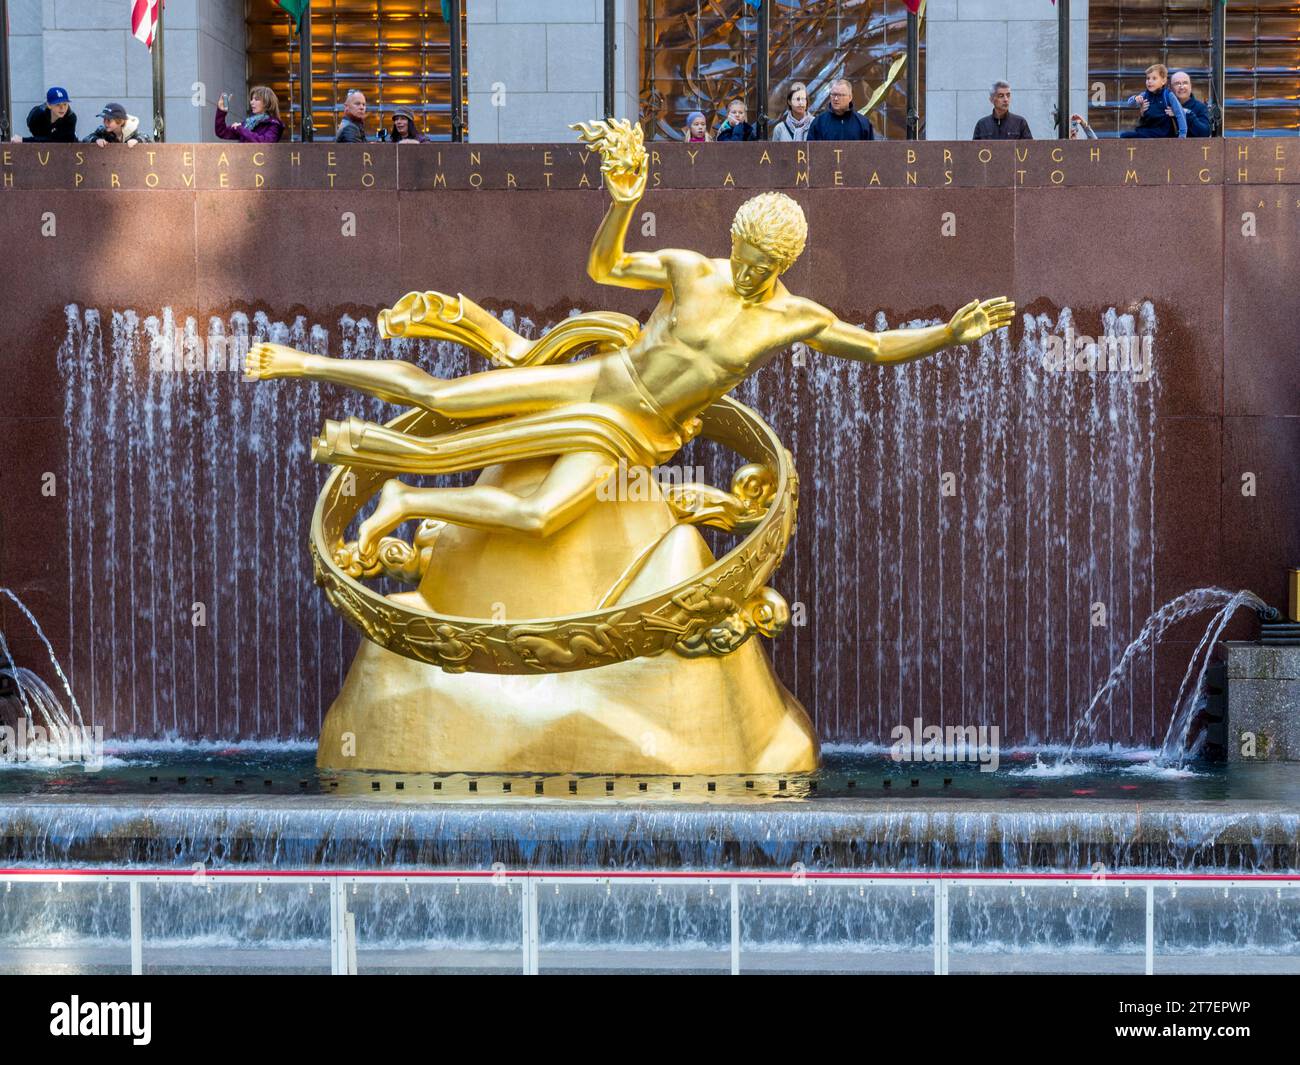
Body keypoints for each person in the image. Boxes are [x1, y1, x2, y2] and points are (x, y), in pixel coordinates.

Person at [245, 120, 1012, 554]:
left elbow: (873, 348)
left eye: (760, 265)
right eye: (741, 255)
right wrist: (621, 200)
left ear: (784, 263)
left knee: (545, 515)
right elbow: (604, 263)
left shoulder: (793, 318)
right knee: (448, 397)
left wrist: (947, 333)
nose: (742, 271)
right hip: (599, 382)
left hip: (632, 436)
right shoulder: (691, 267)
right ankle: (305, 362)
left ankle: (406, 496)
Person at [1120, 64, 1186, 139]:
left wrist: (1182, 135)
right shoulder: (1144, 95)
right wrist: (1135, 98)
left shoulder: (1168, 95)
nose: (1149, 81)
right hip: (1147, 129)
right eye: (1148, 78)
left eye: (1154, 78)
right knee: (1124, 135)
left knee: (1136, 135)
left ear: (1163, 81)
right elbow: (1130, 104)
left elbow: (1180, 114)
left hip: (1163, 132)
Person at [807, 79, 877, 141]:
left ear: (850, 97)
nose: (836, 98)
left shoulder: (863, 123)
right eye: (833, 94)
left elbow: (870, 153)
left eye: (840, 95)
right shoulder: (818, 123)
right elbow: (811, 152)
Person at [214, 86, 284, 144]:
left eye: (256, 99)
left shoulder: (273, 124)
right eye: (251, 99)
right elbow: (221, 132)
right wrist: (221, 112)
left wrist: (241, 129)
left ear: (267, 102)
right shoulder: (248, 123)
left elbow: (266, 142)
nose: (251, 102)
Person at [12, 87, 77, 143]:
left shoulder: (70, 117)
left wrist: (24, 140)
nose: (62, 108)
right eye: (58, 104)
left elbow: (63, 140)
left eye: (65, 104)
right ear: (49, 105)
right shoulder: (37, 116)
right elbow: (41, 139)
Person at [82, 102, 149, 146]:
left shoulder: (132, 131)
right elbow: (85, 139)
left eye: (109, 120)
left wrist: (137, 140)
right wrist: (96, 139)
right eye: (104, 119)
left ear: (120, 121)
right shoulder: (103, 130)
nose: (105, 123)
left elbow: (146, 138)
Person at [1170, 70, 1211, 138]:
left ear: (1190, 86)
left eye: (1185, 83)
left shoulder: (1200, 107)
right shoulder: (1165, 106)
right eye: (1177, 83)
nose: (1182, 87)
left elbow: (1205, 133)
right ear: (1170, 88)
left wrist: (1185, 113)